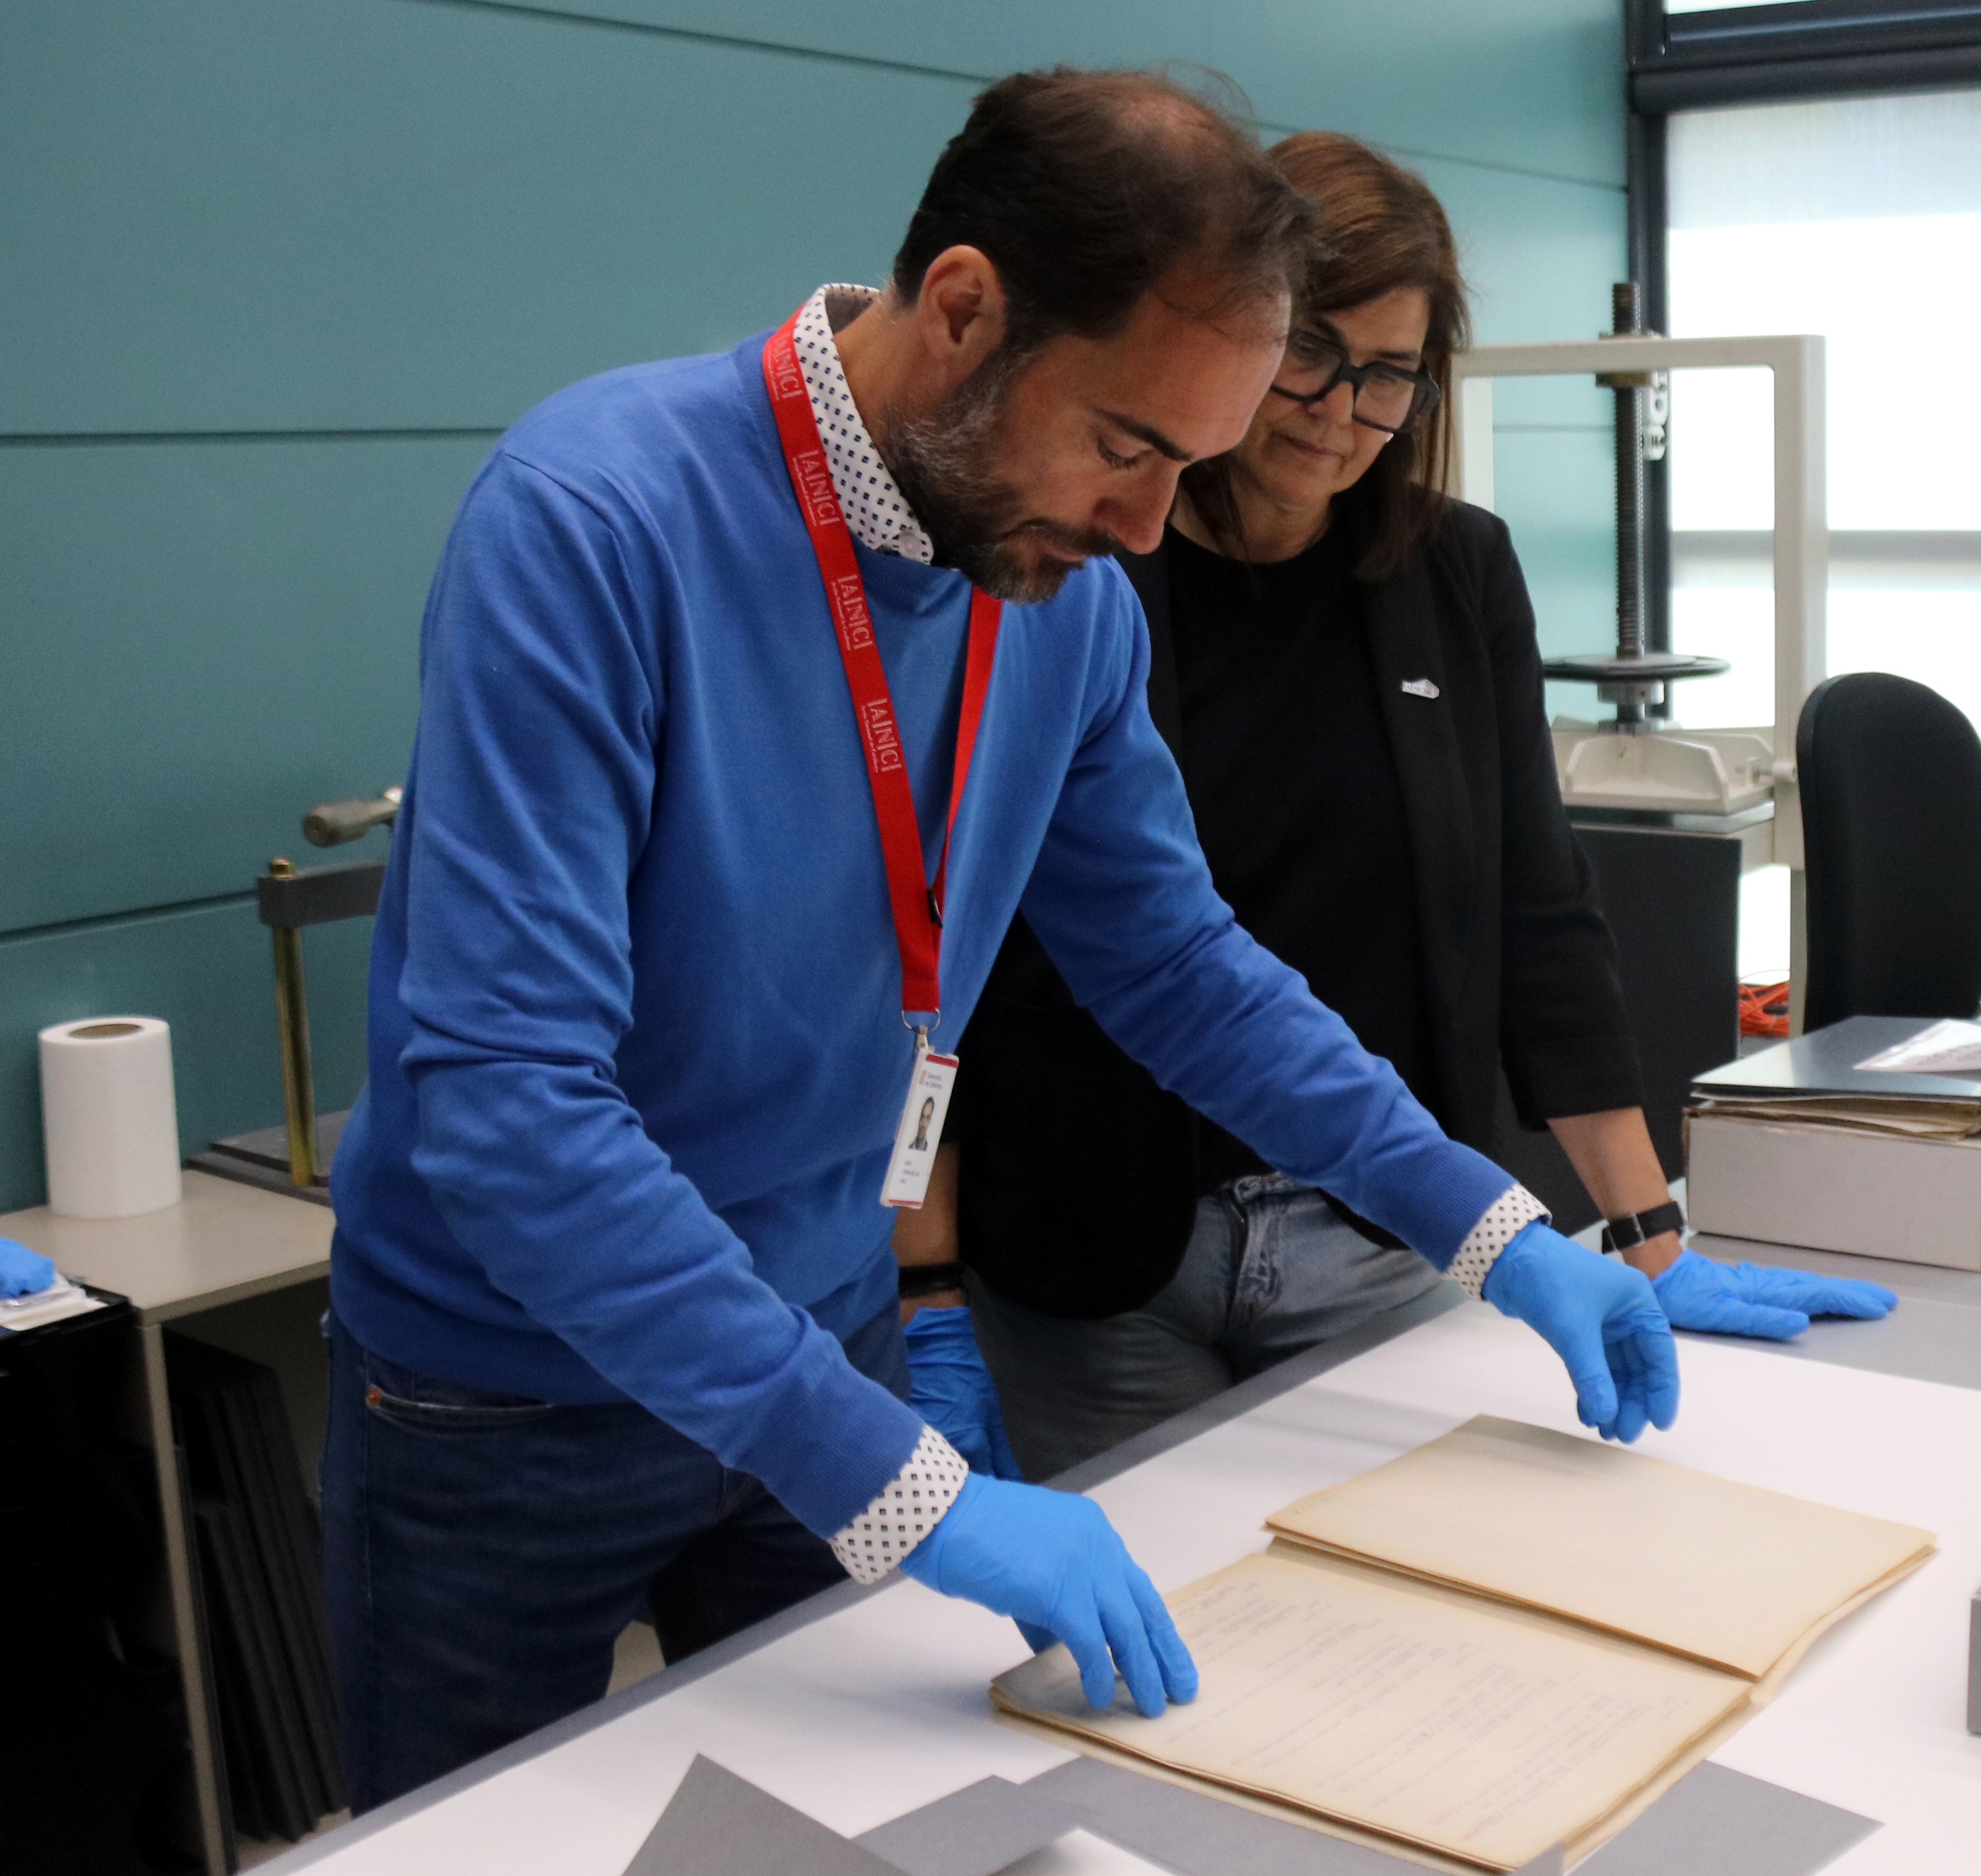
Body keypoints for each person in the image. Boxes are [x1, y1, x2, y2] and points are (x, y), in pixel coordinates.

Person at [320, 71, 1676, 1811]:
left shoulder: (1060, 604)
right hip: (502, 1415)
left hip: (815, 1355)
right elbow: (516, 1115)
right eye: (1126, 448)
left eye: (1182, 469)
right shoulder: (594, 527)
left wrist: (1496, 1229)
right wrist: (913, 1491)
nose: (1138, 528)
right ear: (964, 309)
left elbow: (1188, 973)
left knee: (859, 1842)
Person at [911, 133, 1895, 1486]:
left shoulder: (1454, 570)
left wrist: (1645, 1229)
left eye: (1391, 376)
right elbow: (952, 941)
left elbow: (1541, 918)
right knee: (1163, 1627)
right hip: (1098, 1240)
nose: (1340, 409)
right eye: (1310, 353)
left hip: (1377, 1227)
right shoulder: (1079, 562)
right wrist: (927, 1289)